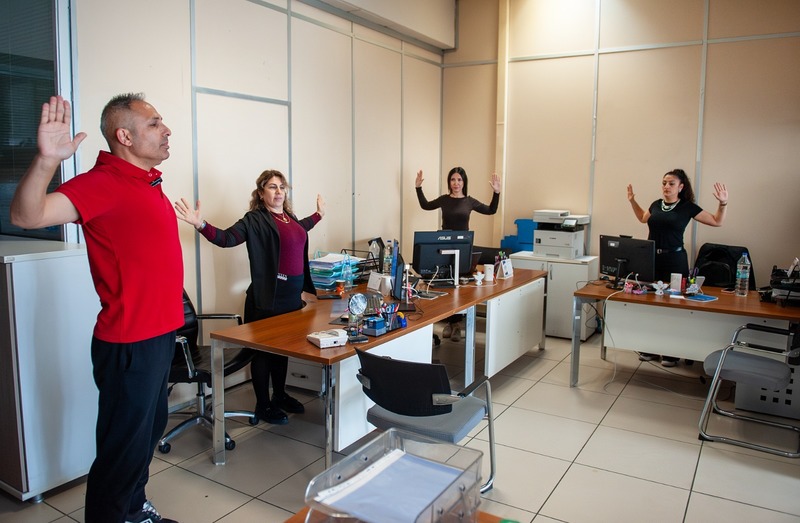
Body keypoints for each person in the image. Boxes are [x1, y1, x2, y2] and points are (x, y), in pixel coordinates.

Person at [10, 94, 183, 523]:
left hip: (160, 334)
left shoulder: (147, 181)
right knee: (121, 452)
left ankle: (133, 510)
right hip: (129, 342)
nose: (166, 130)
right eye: (154, 124)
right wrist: (47, 161)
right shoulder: (102, 183)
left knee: (145, 438)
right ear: (125, 136)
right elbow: (26, 216)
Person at [174, 171, 324, 424]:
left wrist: (319, 214)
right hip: (267, 299)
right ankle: (263, 405)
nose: (279, 191)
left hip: (291, 300)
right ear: (261, 193)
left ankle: (279, 395)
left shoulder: (290, 219)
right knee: (263, 353)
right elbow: (226, 238)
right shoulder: (254, 220)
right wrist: (200, 224)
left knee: (282, 351)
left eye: (282, 187)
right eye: (272, 187)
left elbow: (302, 228)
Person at [627, 168, 728, 366]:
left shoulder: (687, 207)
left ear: (681, 187)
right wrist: (632, 201)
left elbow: (717, 221)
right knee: (652, 304)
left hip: (675, 260)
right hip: (653, 259)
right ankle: (650, 348)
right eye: (664, 183)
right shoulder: (656, 205)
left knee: (673, 306)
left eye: (671, 183)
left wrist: (723, 203)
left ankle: (671, 352)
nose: (666, 186)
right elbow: (642, 218)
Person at [415, 166, 501, 341]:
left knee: (460, 286)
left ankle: (456, 325)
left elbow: (491, 210)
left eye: (459, 180)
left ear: (464, 182)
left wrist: (497, 193)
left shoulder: (469, 201)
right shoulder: (444, 200)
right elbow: (425, 205)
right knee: (447, 284)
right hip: (445, 246)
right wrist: (418, 187)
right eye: (453, 180)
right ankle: (450, 322)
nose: (456, 183)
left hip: (463, 247)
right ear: (449, 182)